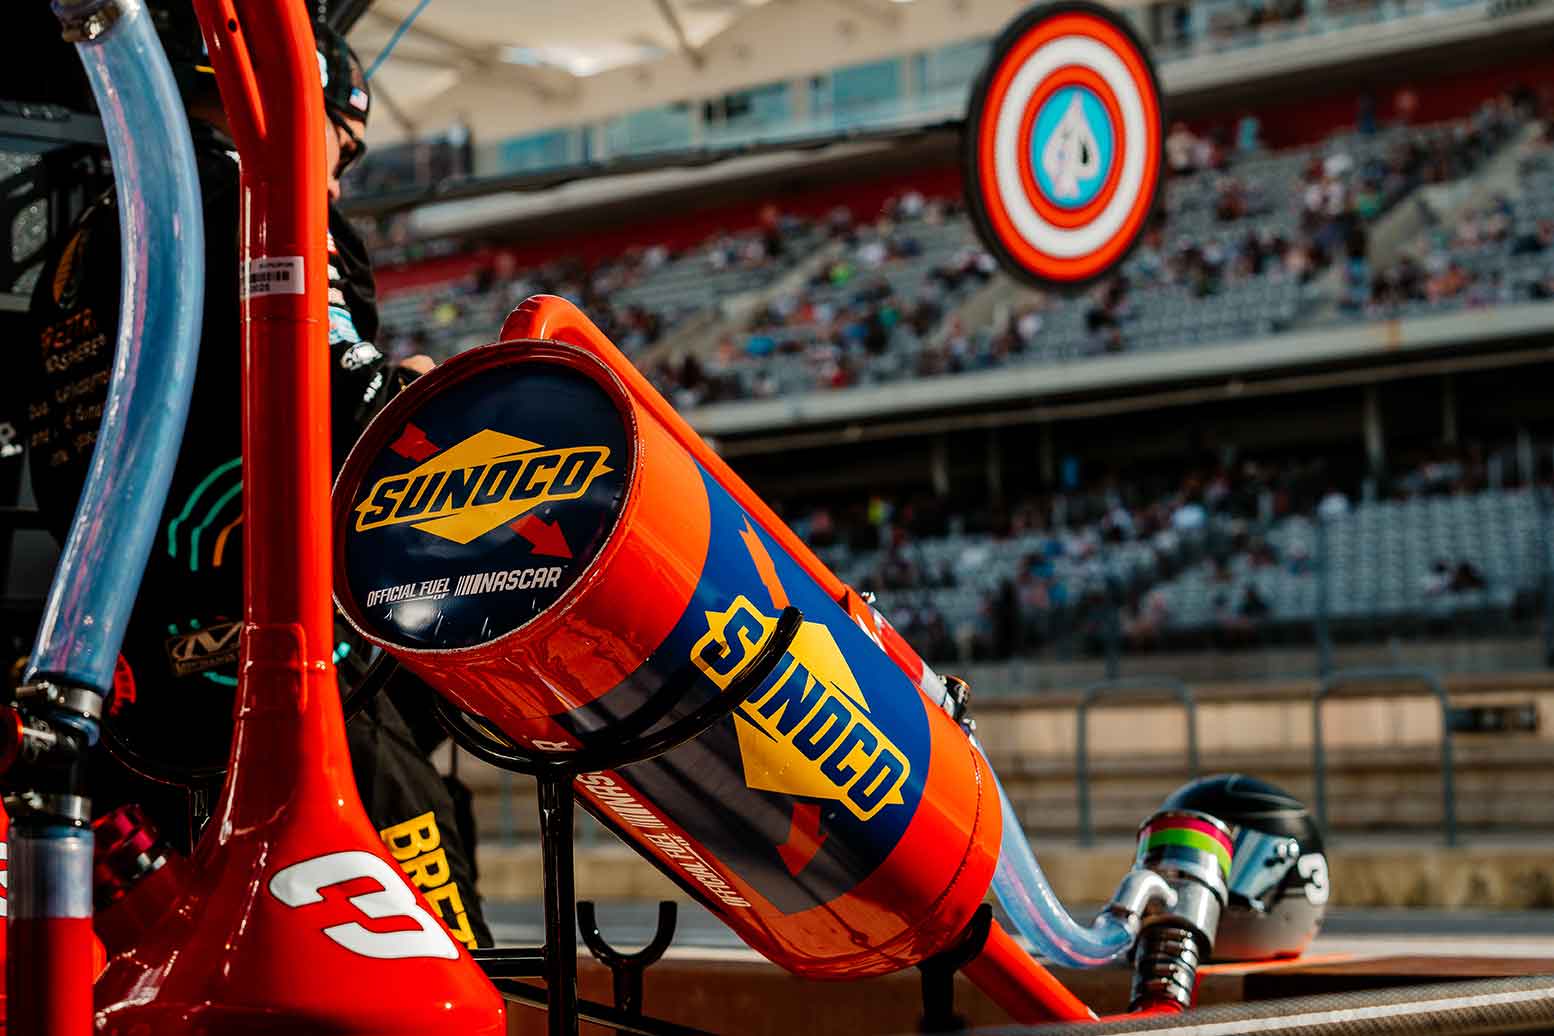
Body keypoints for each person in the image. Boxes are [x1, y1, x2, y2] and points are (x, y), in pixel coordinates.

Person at [16, 17, 489, 951]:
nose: (336, 178)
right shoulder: (256, 196)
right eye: (340, 149)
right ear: (287, 99)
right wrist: (425, 390)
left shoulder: (78, 244)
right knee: (443, 968)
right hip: (305, 693)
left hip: (149, 706)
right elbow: (351, 409)